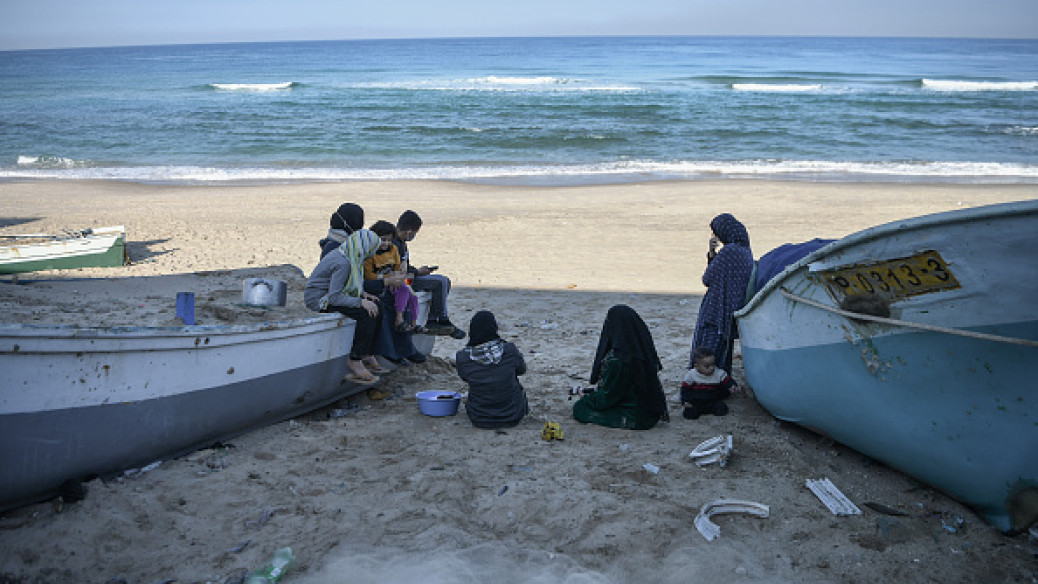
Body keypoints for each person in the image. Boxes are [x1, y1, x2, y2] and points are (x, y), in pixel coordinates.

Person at [304, 228, 387, 384]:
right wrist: (360, 302)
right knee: (365, 313)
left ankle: (367, 353)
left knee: (377, 306)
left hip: (332, 294)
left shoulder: (351, 255)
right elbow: (334, 297)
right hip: (320, 299)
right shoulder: (343, 262)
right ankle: (355, 359)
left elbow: (350, 283)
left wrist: (362, 294)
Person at [572, 305, 669, 430]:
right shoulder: (638, 349)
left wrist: (586, 398)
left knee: (580, 408)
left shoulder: (618, 360)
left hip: (636, 415)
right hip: (645, 406)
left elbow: (607, 398)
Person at [691, 213, 754, 373]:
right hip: (731, 308)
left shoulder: (729, 252)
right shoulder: (746, 251)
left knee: (706, 348)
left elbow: (707, 278)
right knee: (723, 350)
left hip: (716, 308)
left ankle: (704, 384)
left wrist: (712, 255)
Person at [393, 210, 466, 340]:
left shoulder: (402, 243)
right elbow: (397, 269)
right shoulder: (395, 244)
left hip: (408, 277)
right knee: (440, 282)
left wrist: (417, 271)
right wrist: (417, 272)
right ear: (410, 231)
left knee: (445, 281)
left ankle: (434, 319)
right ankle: (441, 320)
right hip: (403, 282)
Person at [455, 311, 529, 429]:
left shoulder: (462, 357)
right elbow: (522, 370)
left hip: (478, 417)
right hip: (513, 415)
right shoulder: (509, 350)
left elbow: (465, 377)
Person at [364, 220, 426, 334]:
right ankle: (399, 319)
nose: (386, 243)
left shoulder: (393, 249)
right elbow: (368, 275)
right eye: (382, 240)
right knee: (404, 289)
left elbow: (397, 266)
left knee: (413, 296)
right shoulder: (370, 254)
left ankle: (413, 324)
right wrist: (387, 278)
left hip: (395, 279)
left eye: (389, 240)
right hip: (382, 283)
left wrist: (400, 272)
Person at [681, 346, 742, 419]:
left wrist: (732, 386)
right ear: (697, 366)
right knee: (689, 414)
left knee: (722, 409)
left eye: (713, 364)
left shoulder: (718, 373)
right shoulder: (691, 375)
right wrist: (685, 401)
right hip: (697, 402)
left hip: (713, 400)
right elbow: (685, 389)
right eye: (707, 366)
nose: (711, 368)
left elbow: (728, 380)